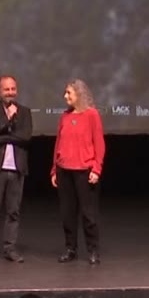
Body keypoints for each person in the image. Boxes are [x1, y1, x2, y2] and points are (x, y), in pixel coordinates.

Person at [51, 78, 105, 264]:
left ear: (79, 94)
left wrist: (96, 169)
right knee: (67, 213)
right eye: (65, 93)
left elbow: (99, 144)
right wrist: (54, 170)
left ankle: (93, 250)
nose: (65, 96)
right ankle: (70, 248)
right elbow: (58, 144)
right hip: (64, 170)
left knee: (88, 214)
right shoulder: (64, 116)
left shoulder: (92, 115)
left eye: (69, 93)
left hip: (84, 171)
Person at [0, 74, 32, 263]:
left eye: (13, 89)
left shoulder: (24, 112)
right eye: (6, 89)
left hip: (17, 168)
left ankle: (10, 248)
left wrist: (3, 138)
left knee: (13, 211)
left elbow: (25, 137)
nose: (10, 93)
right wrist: (7, 122)